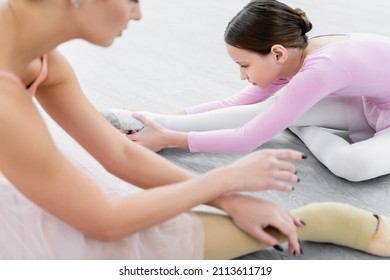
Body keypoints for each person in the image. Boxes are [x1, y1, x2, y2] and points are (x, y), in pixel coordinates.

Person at [0, 0, 389, 260]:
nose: (137, 14)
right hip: (369, 107)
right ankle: (300, 143)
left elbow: (118, 154)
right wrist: (221, 180)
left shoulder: (45, 60)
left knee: (338, 154)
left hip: (370, 110)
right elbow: (104, 220)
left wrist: (226, 193)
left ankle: (295, 125)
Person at [104, 0, 390, 183]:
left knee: (352, 165)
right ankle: (141, 120)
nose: (241, 75)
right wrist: (164, 119)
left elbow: (247, 138)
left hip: (376, 112)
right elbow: (239, 103)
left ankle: (298, 124)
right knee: (265, 110)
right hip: (372, 105)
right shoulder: (294, 53)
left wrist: (170, 139)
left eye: (244, 65)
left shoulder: (321, 68)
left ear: (276, 53)